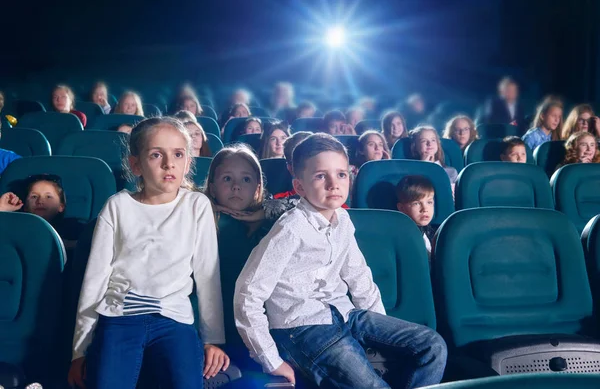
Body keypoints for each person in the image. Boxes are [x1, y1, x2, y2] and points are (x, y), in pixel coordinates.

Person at [234, 133, 447, 388]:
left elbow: (358, 276)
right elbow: (248, 293)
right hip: (304, 328)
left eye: (341, 174)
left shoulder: (343, 220)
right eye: (320, 176)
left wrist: (381, 332)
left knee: (433, 346)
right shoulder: (290, 229)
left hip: (346, 315)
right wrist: (269, 357)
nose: (333, 184)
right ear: (300, 186)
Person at [67, 117, 229, 389]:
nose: (169, 164)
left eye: (178, 154)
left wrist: (213, 339)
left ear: (188, 162)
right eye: (156, 155)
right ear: (136, 165)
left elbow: (207, 275)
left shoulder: (197, 205)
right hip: (119, 319)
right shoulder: (117, 207)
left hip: (173, 321)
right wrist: (79, 351)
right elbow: (94, 282)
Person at [396, 175, 436, 257]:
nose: (425, 209)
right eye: (416, 203)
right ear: (402, 208)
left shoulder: (435, 233)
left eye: (429, 202)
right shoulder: (403, 239)